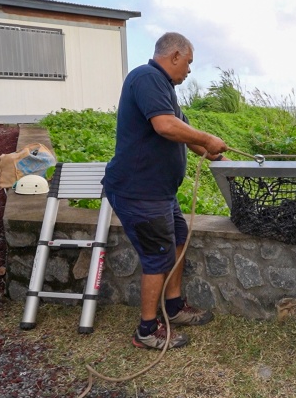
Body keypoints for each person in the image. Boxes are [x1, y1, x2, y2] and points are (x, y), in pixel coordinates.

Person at [102, 32, 228, 350]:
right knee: (158, 255)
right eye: (188, 62)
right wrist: (208, 136)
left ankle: (173, 307)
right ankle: (146, 330)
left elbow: (181, 133)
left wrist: (210, 152)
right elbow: (165, 126)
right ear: (174, 55)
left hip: (160, 192)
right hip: (139, 190)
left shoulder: (165, 90)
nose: (188, 70)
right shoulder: (146, 77)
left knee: (178, 239)